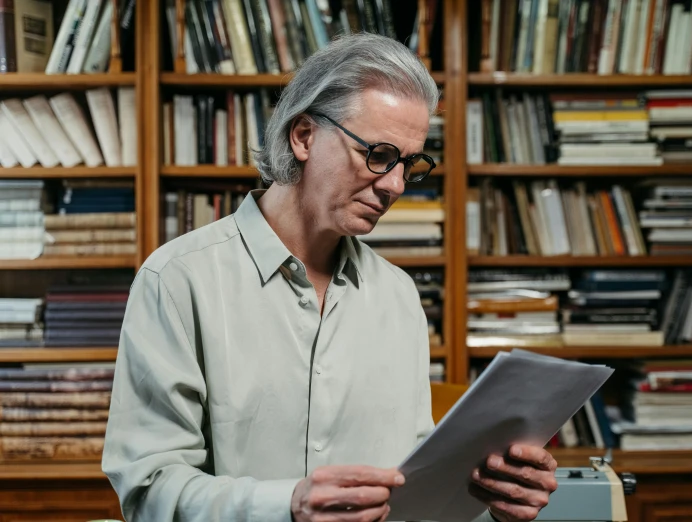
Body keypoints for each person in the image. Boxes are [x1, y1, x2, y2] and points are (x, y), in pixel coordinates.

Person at [102, 32, 557, 522]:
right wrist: (287, 506)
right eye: (378, 155)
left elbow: (418, 479)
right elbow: (149, 491)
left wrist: (493, 500)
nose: (395, 185)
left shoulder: (399, 296)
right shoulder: (176, 280)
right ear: (303, 136)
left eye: (409, 164)